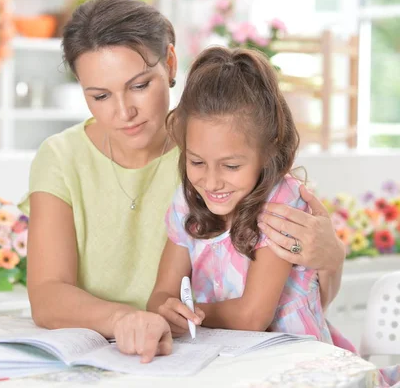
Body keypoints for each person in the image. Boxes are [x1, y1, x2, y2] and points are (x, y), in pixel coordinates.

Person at [18, 0, 346, 363]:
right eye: (99, 95)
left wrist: (332, 257)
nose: (124, 111)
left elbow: (304, 295)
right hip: (131, 353)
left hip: (220, 353)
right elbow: (47, 296)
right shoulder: (62, 157)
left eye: (140, 85)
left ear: (171, 63)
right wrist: (131, 319)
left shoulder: (216, 146)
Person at [146, 46, 353, 347]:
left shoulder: (282, 201)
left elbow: (252, 317)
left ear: (268, 150)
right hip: (222, 356)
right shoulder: (186, 200)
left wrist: (189, 314)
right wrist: (166, 308)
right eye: (197, 162)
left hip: (292, 358)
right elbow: (161, 295)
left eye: (231, 166)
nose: (212, 182)